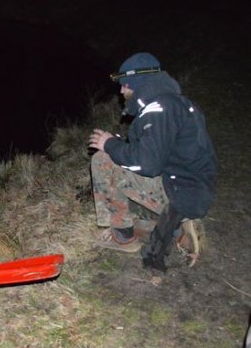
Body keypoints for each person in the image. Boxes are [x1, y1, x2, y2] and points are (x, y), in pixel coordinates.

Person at [87, 52, 217, 271]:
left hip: (181, 193)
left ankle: (123, 237)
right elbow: (159, 152)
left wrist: (109, 145)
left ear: (138, 82)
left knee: (103, 160)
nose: (121, 91)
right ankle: (179, 228)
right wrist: (120, 145)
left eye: (125, 85)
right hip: (192, 189)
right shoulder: (177, 104)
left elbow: (147, 165)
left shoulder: (158, 110)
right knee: (119, 160)